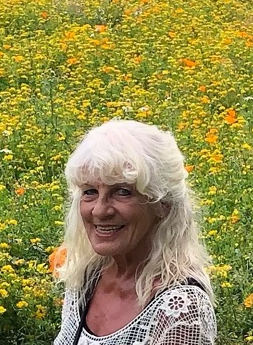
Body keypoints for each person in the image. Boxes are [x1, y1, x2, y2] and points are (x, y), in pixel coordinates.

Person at [52, 120, 216, 345]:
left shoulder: (178, 307)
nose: (99, 210)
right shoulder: (87, 278)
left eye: (122, 192)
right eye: (90, 192)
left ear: (163, 204)